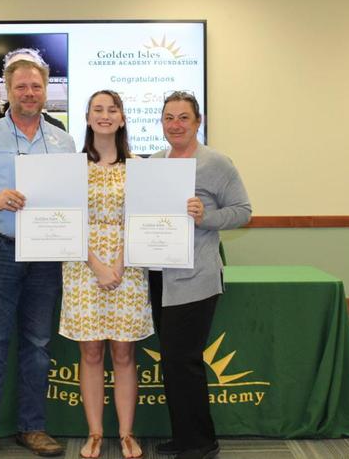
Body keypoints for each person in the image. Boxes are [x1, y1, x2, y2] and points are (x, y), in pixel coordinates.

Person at [0, 58, 76, 459]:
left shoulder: (64, 142)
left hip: (46, 254)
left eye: (36, 87)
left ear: (45, 91)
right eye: (21, 87)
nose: (29, 94)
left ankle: (32, 428)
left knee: (38, 345)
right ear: (7, 91)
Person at [149, 91, 251, 459]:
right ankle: (185, 437)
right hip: (160, 277)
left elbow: (243, 211)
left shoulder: (216, 163)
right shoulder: (154, 163)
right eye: (168, 118)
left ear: (198, 121)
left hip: (196, 279)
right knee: (173, 363)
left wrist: (204, 217)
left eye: (183, 118)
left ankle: (201, 443)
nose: (175, 125)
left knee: (184, 362)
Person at [59, 90, 153, 459]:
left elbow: (142, 221)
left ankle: (127, 433)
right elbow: (65, 222)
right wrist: (97, 264)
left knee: (125, 353)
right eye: (97, 109)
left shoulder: (140, 167)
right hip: (82, 267)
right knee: (92, 351)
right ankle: (95, 433)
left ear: (123, 118)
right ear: (87, 118)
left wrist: (119, 262)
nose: (105, 115)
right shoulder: (71, 168)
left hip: (129, 267)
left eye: (112, 109)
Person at [0, 48, 65, 131]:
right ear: (6, 81)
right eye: (14, 70)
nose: (29, 93)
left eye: (31, 68)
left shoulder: (57, 129)